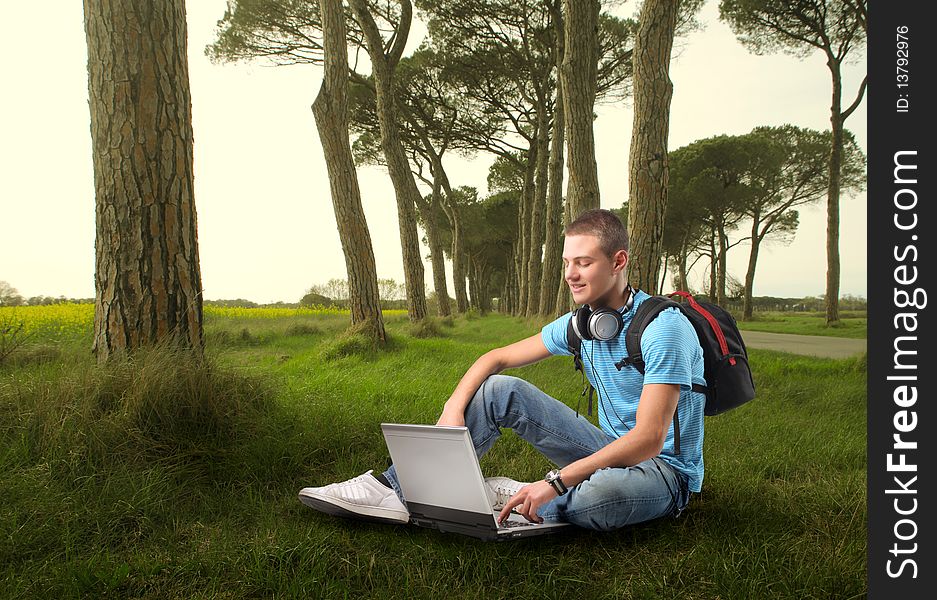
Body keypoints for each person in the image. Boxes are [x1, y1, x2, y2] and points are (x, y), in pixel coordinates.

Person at [299, 209, 705, 531]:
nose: (570, 275)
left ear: (619, 261)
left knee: (593, 499)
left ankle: (517, 497)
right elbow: (495, 358)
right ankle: (392, 488)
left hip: (664, 473)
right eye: (566, 262)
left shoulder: (663, 329)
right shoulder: (582, 323)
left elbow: (649, 440)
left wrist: (556, 482)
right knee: (498, 390)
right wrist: (453, 407)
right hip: (605, 449)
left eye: (583, 262)